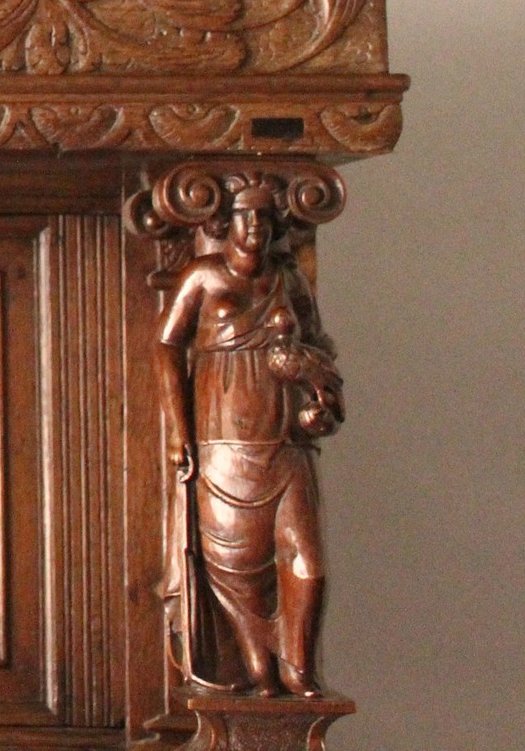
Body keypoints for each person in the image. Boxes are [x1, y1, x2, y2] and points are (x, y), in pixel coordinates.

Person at [154, 175, 341, 698]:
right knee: (234, 568)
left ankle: (299, 667)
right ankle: (259, 669)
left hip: (284, 442)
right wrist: (178, 430)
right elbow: (167, 347)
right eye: (245, 216)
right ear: (225, 223)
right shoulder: (204, 277)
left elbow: (321, 345)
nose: (255, 227)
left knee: (309, 561)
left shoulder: (288, 280)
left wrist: (307, 374)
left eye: (264, 216)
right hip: (222, 443)